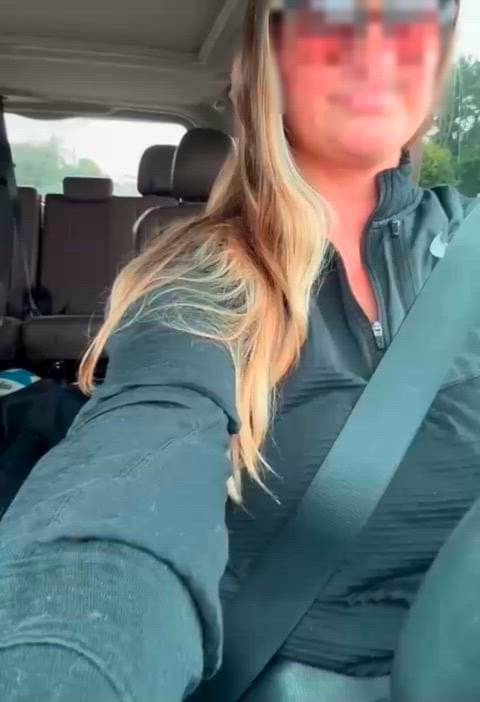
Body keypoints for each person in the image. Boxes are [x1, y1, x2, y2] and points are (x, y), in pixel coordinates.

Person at [0, 0, 477, 700]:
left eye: (409, 12)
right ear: (265, 63)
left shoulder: (472, 249)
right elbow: (134, 477)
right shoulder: (204, 276)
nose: (375, 43)